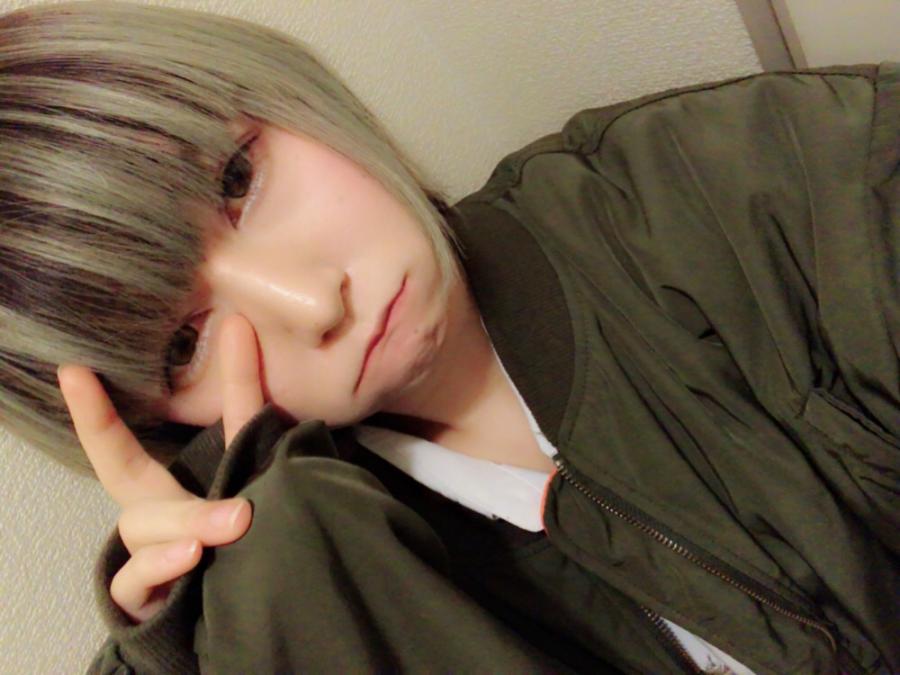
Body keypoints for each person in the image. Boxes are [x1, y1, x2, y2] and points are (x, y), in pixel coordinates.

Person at [1, 1, 896, 673]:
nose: (313, 303)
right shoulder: (266, 581)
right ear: (154, 422)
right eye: (183, 345)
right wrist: (227, 636)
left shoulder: (747, 186)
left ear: (283, 90)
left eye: (239, 179)